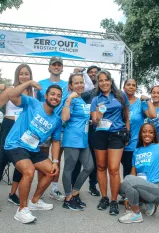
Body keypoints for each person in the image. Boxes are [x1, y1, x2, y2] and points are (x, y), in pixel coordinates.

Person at [4, 81, 62, 224]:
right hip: (15, 144)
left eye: (59, 96)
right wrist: (28, 83)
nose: (55, 97)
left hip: (33, 149)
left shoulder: (57, 120)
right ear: (46, 96)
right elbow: (11, 94)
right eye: (53, 94)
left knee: (52, 171)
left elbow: (55, 141)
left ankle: (35, 201)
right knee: (29, 171)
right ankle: (22, 210)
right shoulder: (32, 103)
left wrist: (55, 161)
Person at [36, 57, 93, 201]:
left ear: (62, 68)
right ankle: (39, 192)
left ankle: (55, 190)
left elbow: (89, 87)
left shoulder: (67, 87)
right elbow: (37, 105)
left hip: (61, 128)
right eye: (53, 64)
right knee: (42, 160)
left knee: (57, 160)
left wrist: (80, 74)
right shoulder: (41, 84)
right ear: (49, 67)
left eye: (59, 65)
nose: (56, 67)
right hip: (45, 126)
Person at [0, 64, 33, 213]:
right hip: (9, 126)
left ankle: (12, 193)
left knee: (21, 164)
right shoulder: (9, 90)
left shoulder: (33, 94)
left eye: (27, 74)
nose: (24, 76)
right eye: (21, 74)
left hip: (24, 130)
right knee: (0, 161)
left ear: (30, 76)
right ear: (17, 75)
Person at [90, 70, 130, 215]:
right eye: (101, 81)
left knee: (113, 169)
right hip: (100, 134)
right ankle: (104, 197)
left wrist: (128, 132)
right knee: (101, 167)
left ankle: (114, 200)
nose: (104, 83)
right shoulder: (95, 99)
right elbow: (94, 120)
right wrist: (98, 117)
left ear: (110, 80)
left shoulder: (120, 95)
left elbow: (126, 115)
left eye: (106, 80)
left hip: (117, 134)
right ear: (98, 83)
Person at [61, 73, 94, 211]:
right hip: (72, 139)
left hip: (83, 140)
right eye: (76, 83)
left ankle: (75, 192)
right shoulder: (71, 99)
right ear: (71, 85)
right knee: (69, 169)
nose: (80, 85)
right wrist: (68, 99)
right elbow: (65, 117)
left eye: (81, 82)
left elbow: (82, 119)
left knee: (89, 166)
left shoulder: (80, 99)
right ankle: (68, 198)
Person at [71, 65, 101, 196]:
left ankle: (92, 185)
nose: (93, 74)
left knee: (93, 160)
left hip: (95, 131)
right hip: (80, 131)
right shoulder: (82, 92)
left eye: (96, 72)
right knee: (76, 160)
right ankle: (73, 188)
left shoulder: (102, 92)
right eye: (91, 73)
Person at [121, 79, 156, 180]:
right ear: (124, 87)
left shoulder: (141, 103)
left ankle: (137, 193)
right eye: (128, 85)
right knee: (125, 170)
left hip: (135, 144)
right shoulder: (119, 102)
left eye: (133, 85)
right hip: (119, 143)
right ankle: (126, 193)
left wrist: (148, 100)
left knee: (136, 171)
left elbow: (153, 115)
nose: (131, 87)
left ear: (136, 88)